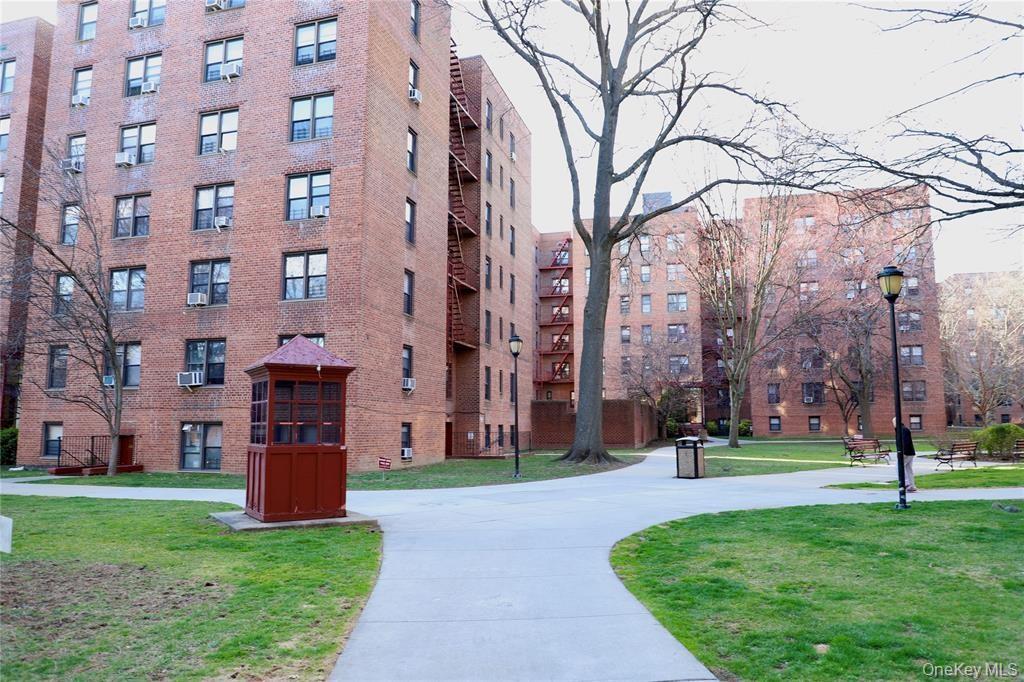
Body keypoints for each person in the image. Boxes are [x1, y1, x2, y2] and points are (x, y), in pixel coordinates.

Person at [893, 417, 917, 492]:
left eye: (893, 422)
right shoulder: (903, 429)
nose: (893, 424)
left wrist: (903, 452)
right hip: (910, 452)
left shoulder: (902, 430)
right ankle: (912, 485)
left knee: (898, 467)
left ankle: (906, 484)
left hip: (906, 453)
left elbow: (905, 442)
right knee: (908, 469)